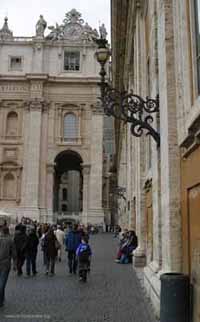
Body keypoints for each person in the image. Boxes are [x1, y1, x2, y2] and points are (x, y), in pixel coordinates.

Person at [0, 226, 16, 307]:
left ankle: (1, 299)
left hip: (4, 263)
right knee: (2, 283)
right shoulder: (10, 240)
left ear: (2, 232)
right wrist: (15, 265)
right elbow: (14, 253)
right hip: (6, 264)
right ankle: (1, 300)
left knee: (1, 283)